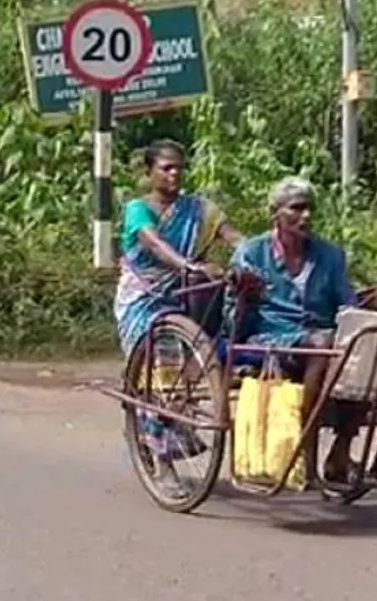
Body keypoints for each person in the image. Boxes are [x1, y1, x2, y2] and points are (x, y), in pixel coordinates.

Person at [115, 139, 245, 493]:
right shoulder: (137, 209)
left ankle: (177, 419)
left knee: (218, 347)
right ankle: (162, 461)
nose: (174, 174)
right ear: (149, 172)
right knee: (161, 371)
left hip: (190, 296)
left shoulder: (199, 209)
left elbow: (231, 235)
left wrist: (255, 254)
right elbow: (154, 243)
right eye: (166, 168)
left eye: (179, 168)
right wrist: (187, 265)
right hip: (145, 299)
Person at [231, 177, 362, 486]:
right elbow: (232, 322)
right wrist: (242, 296)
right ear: (276, 213)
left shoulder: (330, 255)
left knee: (372, 346)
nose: (306, 216)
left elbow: (349, 305)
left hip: (323, 338)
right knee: (322, 343)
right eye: (297, 209)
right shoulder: (251, 254)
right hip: (272, 339)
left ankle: (341, 451)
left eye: (309, 209)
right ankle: (306, 447)